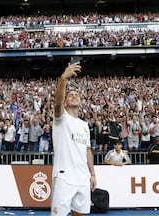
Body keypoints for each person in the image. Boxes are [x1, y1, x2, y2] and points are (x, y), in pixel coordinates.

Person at [51, 62, 96, 216]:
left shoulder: (84, 125)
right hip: (64, 177)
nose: (75, 96)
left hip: (83, 177)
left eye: (77, 95)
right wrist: (64, 78)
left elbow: (87, 150)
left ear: (81, 102)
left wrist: (93, 174)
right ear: (66, 102)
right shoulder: (61, 118)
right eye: (71, 95)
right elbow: (57, 103)